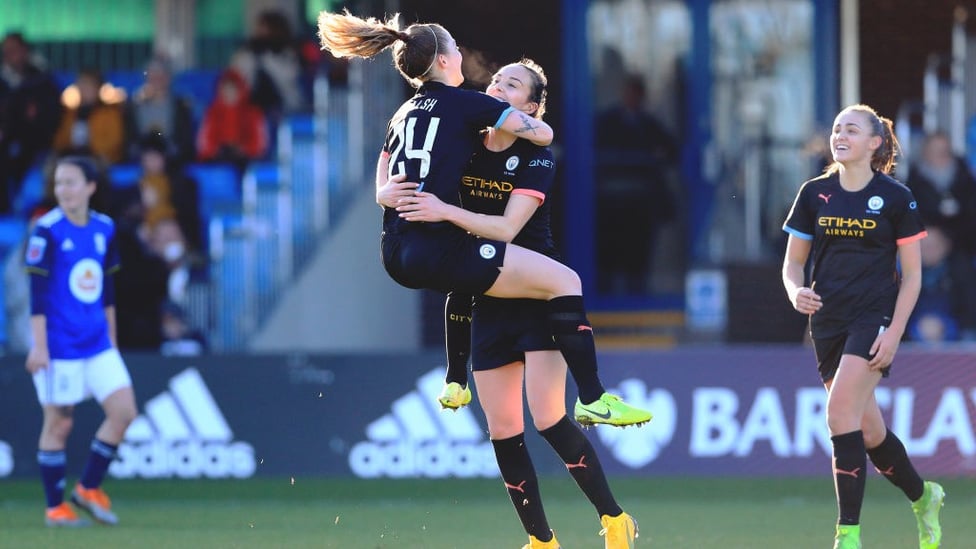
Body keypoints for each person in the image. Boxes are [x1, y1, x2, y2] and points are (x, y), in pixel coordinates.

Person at [317, 9, 651, 427]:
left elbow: (384, 164)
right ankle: (592, 397)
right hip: (433, 245)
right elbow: (543, 135)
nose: (461, 54)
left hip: (394, 249)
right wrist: (516, 116)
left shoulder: (403, 113)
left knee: (467, 271)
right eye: (455, 47)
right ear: (443, 60)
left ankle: (456, 380)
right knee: (566, 281)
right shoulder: (467, 105)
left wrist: (383, 194)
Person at [379, 59, 639, 548]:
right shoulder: (463, 140)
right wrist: (384, 190)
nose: (498, 86)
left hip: (535, 291)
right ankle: (542, 541)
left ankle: (614, 519)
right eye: (496, 79)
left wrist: (442, 209)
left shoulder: (538, 156)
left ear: (532, 108)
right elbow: (398, 151)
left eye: (513, 84)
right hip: (486, 292)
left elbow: (505, 232)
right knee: (503, 429)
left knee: (548, 419)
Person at [781, 104, 944, 549]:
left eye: (851, 129)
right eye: (836, 129)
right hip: (827, 323)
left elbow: (912, 275)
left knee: (838, 415)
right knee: (867, 431)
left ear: (875, 143)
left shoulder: (895, 197)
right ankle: (924, 496)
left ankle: (847, 535)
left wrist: (894, 334)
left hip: (874, 317)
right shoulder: (814, 193)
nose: (840, 135)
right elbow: (793, 264)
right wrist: (796, 292)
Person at [24, 155, 136, 526]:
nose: (63, 190)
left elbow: (107, 291)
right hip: (60, 346)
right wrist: (39, 347)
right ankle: (55, 507)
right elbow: (37, 295)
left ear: (91, 186)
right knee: (59, 423)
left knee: (124, 412)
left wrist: (113, 339)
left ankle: (88, 487)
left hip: (98, 342)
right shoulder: (47, 230)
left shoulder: (104, 228)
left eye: (71, 182)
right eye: (58, 184)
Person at [594, 74, 678, 295]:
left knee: (637, 252)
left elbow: (671, 150)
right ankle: (606, 294)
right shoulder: (606, 122)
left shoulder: (649, 125)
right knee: (609, 252)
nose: (633, 98)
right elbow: (592, 150)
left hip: (640, 203)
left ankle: (636, 292)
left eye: (637, 93)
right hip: (611, 201)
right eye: (630, 92)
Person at [0, 32, 62, 213]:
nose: (11, 55)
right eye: (7, 51)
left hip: (36, 144)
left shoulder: (41, 78)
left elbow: (51, 115)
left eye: (15, 50)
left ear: (25, 51)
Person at [123, 54, 196, 164]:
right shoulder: (133, 107)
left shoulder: (181, 107)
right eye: (153, 75)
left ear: (168, 78)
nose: (157, 79)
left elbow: (185, 141)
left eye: (161, 75)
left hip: (172, 160)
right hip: (142, 157)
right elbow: (129, 140)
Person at [196, 69, 269, 169]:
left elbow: (260, 144)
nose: (228, 93)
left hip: (246, 160)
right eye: (225, 89)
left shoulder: (253, 113)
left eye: (232, 89)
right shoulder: (212, 113)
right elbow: (204, 143)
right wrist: (219, 149)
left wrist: (243, 149)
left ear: (240, 90)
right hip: (219, 159)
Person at [52, 68, 126, 165]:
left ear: (98, 88)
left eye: (88, 85)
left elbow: (114, 143)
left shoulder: (110, 113)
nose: (83, 89)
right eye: (81, 84)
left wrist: (90, 149)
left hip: (99, 158)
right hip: (71, 156)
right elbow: (59, 140)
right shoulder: (69, 113)